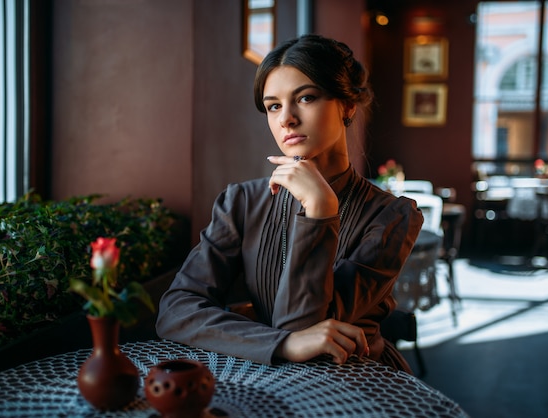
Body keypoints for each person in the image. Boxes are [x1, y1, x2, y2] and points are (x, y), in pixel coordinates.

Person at [156, 34, 423, 373]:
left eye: (306, 98)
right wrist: (282, 344)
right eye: (274, 106)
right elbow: (175, 311)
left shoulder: (393, 217)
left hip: (355, 381)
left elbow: (306, 324)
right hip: (261, 373)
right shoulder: (240, 202)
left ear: (348, 106)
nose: (286, 119)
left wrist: (320, 209)